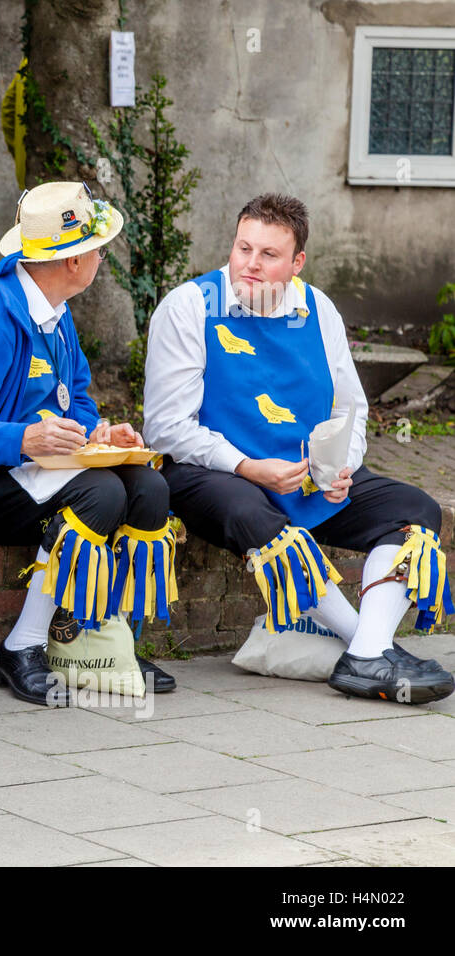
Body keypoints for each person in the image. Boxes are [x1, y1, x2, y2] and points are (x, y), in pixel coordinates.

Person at [143, 192, 454, 703]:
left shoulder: (318, 309)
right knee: (257, 515)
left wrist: (341, 467)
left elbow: (349, 410)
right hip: (214, 475)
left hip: (306, 476)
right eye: (243, 248)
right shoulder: (189, 307)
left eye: (268, 255)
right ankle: (369, 648)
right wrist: (248, 466)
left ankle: (366, 656)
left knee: (415, 512)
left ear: (296, 262)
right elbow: (166, 428)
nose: (250, 264)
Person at [0, 181, 179, 705]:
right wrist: (23, 438)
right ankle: (23, 646)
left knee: (148, 485)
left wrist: (98, 433)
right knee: (101, 493)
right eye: (97, 247)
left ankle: (108, 642)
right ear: (74, 262)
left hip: (39, 473)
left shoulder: (56, 309)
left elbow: (73, 398)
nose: (103, 256)